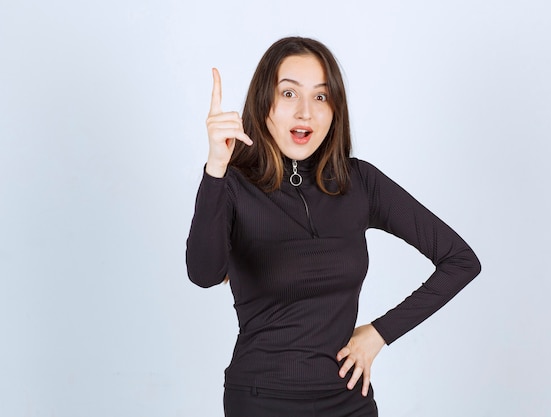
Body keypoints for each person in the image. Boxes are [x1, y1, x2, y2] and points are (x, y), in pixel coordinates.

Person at [186, 36, 481, 417]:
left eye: (321, 97)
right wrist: (215, 171)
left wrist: (378, 334)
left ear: (335, 110)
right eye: (289, 94)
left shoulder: (360, 182)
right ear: (263, 105)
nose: (305, 112)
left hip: (348, 401)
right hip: (261, 399)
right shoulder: (232, 184)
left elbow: (460, 260)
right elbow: (204, 273)